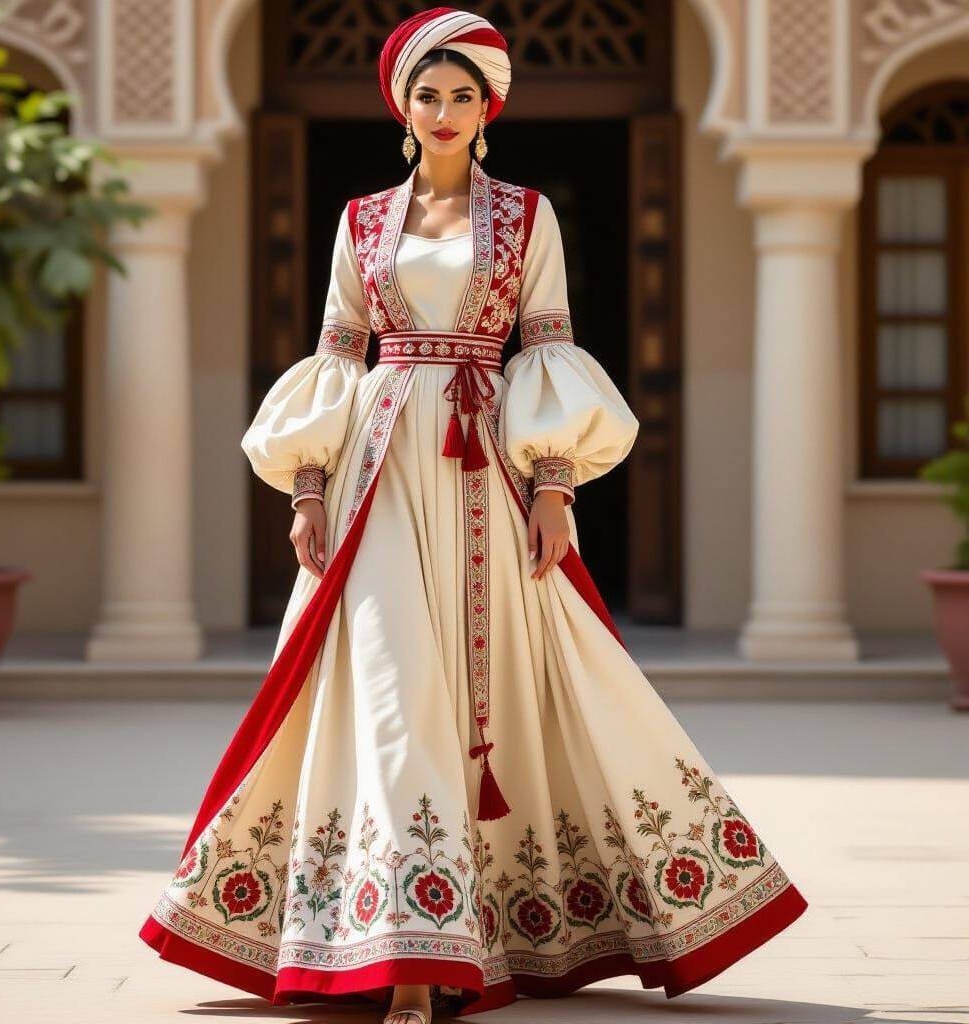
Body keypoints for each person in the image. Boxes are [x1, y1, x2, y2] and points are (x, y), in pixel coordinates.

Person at [139, 8, 808, 1022]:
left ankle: (474, 931)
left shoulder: (527, 217)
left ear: (486, 108)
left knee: (499, 698)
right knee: (390, 697)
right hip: (374, 473)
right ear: (401, 107)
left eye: (461, 95)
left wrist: (551, 484)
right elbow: (337, 355)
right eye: (426, 94)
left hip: (483, 475)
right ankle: (406, 953)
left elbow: (544, 350)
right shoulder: (360, 221)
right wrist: (306, 489)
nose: (443, 110)